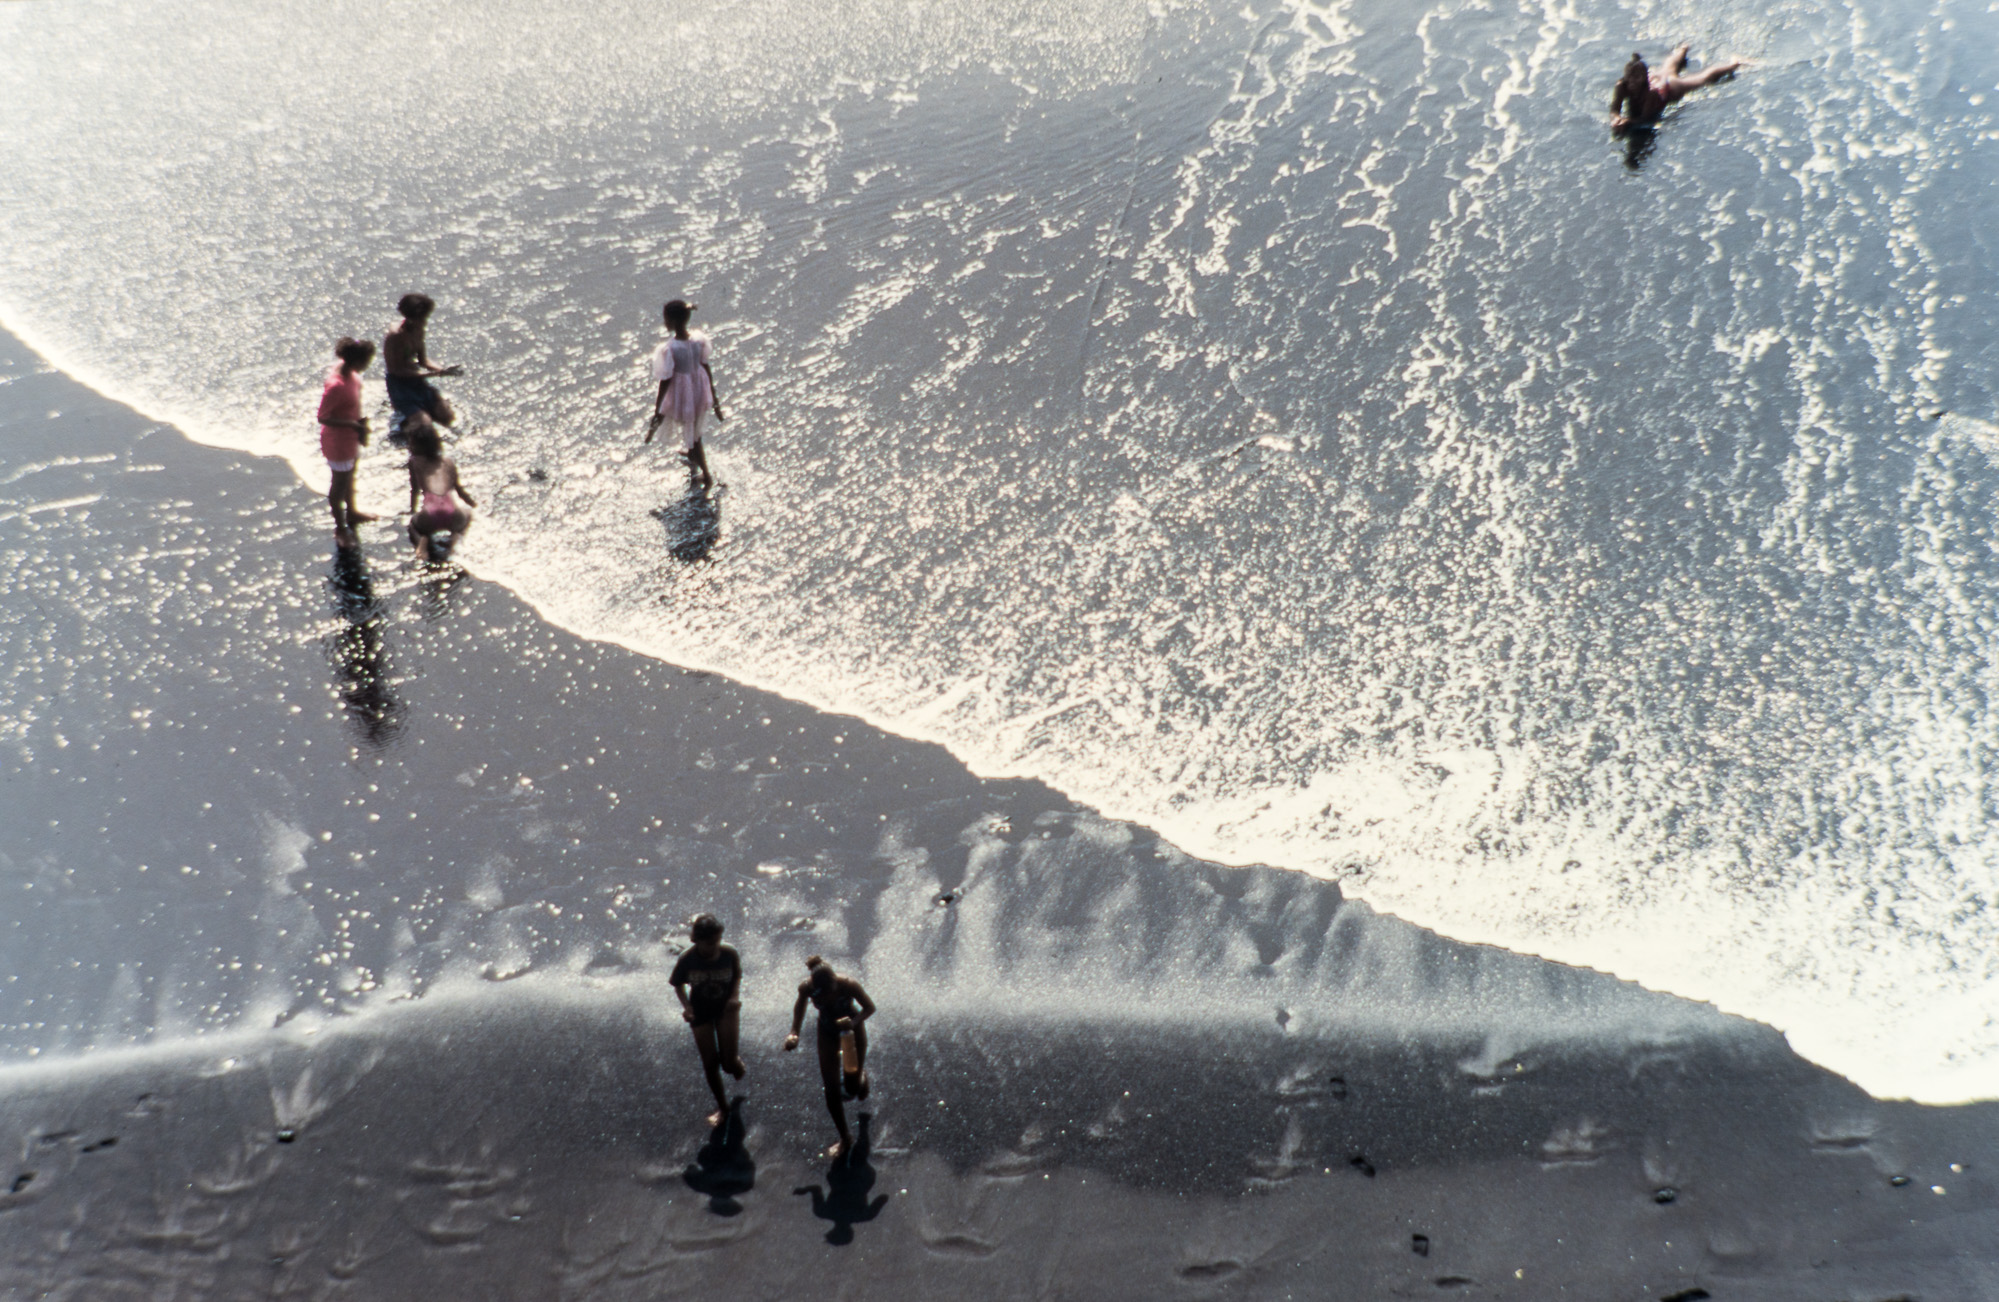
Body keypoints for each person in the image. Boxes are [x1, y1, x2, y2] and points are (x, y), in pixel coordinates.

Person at [784, 955, 875, 1160]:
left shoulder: (848, 984)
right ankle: (845, 1137)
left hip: (851, 1030)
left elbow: (870, 1008)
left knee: (853, 1089)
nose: (826, 999)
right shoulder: (807, 988)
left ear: (835, 983)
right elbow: (799, 1008)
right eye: (822, 996)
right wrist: (794, 1033)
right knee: (831, 1087)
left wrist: (853, 1022)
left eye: (830, 993)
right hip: (826, 1031)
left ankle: (860, 1077)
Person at [671, 915, 745, 1129]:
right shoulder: (687, 959)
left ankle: (735, 1062)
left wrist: (734, 997)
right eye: (711, 942)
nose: (716, 946)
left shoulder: (729, 953)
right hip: (701, 1012)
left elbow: (737, 975)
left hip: (725, 1009)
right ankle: (723, 1107)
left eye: (718, 940)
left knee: (728, 1065)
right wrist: (687, 1007)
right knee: (710, 1064)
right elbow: (677, 985)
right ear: (697, 940)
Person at [644, 298, 724, 490]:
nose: (664, 323)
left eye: (666, 319)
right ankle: (691, 455)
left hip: (684, 392)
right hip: (699, 388)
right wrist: (713, 395)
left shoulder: (670, 348)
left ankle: (706, 475)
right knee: (692, 424)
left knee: (694, 435)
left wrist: (658, 408)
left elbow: (666, 379)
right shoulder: (698, 340)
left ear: (673, 322)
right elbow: (706, 365)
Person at [318, 337, 378, 546]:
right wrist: (353, 425)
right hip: (338, 442)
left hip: (351, 437)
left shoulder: (350, 373)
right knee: (339, 485)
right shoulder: (336, 385)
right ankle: (340, 528)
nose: (368, 365)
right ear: (356, 361)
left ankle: (352, 512)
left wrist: (358, 426)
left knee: (350, 478)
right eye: (367, 361)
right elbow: (323, 417)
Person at [1611, 45, 1743, 130]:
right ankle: (1682, 50)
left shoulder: (1651, 94)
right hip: (1654, 77)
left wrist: (1627, 121)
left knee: (1703, 78)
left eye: (1636, 78)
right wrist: (1616, 117)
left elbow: (1646, 118)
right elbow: (1614, 108)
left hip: (1669, 87)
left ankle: (1733, 64)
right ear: (1626, 76)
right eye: (1630, 77)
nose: (1632, 81)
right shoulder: (1621, 86)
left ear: (1644, 78)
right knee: (1667, 67)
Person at [403, 414, 476, 562]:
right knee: (468, 515)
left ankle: (422, 543)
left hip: (429, 517)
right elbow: (460, 492)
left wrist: (412, 510)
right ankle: (456, 538)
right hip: (453, 515)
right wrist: (473, 504)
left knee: (414, 525)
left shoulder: (414, 463)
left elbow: (415, 490)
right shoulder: (447, 461)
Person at [383, 293, 461, 428]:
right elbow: (395, 370)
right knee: (424, 424)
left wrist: (442, 370)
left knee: (447, 417)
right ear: (412, 318)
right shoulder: (395, 337)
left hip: (416, 380)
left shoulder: (418, 330)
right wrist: (433, 374)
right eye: (423, 318)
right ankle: (400, 416)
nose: (425, 321)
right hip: (400, 385)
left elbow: (423, 360)